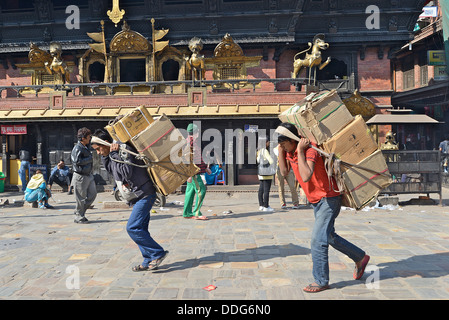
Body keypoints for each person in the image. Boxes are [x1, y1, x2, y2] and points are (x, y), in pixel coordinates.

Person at [277, 122, 369, 293]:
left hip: (329, 199)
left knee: (318, 240)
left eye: (284, 144)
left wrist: (301, 152)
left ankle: (321, 280)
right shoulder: (289, 152)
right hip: (316, 202)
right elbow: (283, 173)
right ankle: (360, 257)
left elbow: (305, 176)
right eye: (281, 145)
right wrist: (282, 152)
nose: (282, 147)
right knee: (330, 237)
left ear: (293, 140)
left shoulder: (310, 149)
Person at [91, 129, 168, 272]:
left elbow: (126, 172)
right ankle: (147, 260)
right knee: (141, 229)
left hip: (145, 194)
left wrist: (113, 153)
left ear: (106, 143)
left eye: (98, 149)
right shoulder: (113, 154)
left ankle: (158, 253)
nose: (98, 152)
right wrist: (107, 156)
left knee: (132, 227)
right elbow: (112, 171)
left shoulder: (123, 150)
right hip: (138, 196)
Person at [183, 123, 211, 220]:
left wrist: (205, 168)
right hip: (194, 173)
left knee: (190, 192)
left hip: (194, 172)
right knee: (201, 190)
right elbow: (187, 160)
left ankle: (187, 213)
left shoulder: (191, 142)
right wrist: (189, 174)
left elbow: (197, 158)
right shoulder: (189, 143)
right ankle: (197, 213)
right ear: (196, 133)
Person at [71, 127, 97, 224]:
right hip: (80, 176)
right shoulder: (77, 148)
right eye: (88, 137)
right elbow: (76, 161)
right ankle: (79, 216)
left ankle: (80, 211)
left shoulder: (85, 147)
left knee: (92, 194)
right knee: (80, 198)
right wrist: (89, 159)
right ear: (83, 138)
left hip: (88, 175)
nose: (90, 139)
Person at [274, 145, 300, 209]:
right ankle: (282, 203)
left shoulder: (288, 147)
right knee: (281, 187)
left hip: (290, 168)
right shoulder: (275, 149)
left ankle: (295, 203)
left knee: (292, 187)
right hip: (280, 169)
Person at [256, 138, 276, 212]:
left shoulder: (259, 151)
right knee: (266, 190)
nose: (269, 143)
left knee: (261, 189)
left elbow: (258, 161)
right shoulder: (265, 151)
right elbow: (271, 161)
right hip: (267, 173)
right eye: (268, 142)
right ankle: (266, 206)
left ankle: (261, 205)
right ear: (265, 142)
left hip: (261, 173)